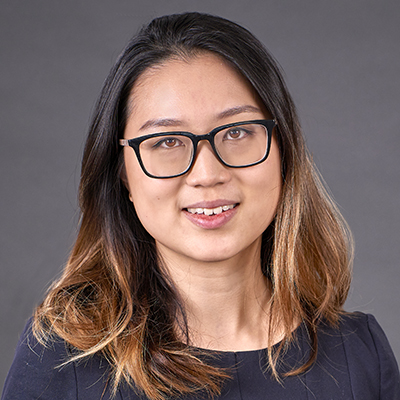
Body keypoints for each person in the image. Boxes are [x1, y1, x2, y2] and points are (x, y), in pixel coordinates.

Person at [2, 12, 399, 400]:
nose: (207, 174)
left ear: (285, 150)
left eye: (237, 132)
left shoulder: (360, 355)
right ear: (122, 172)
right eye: (167, 141)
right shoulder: (61, 359)